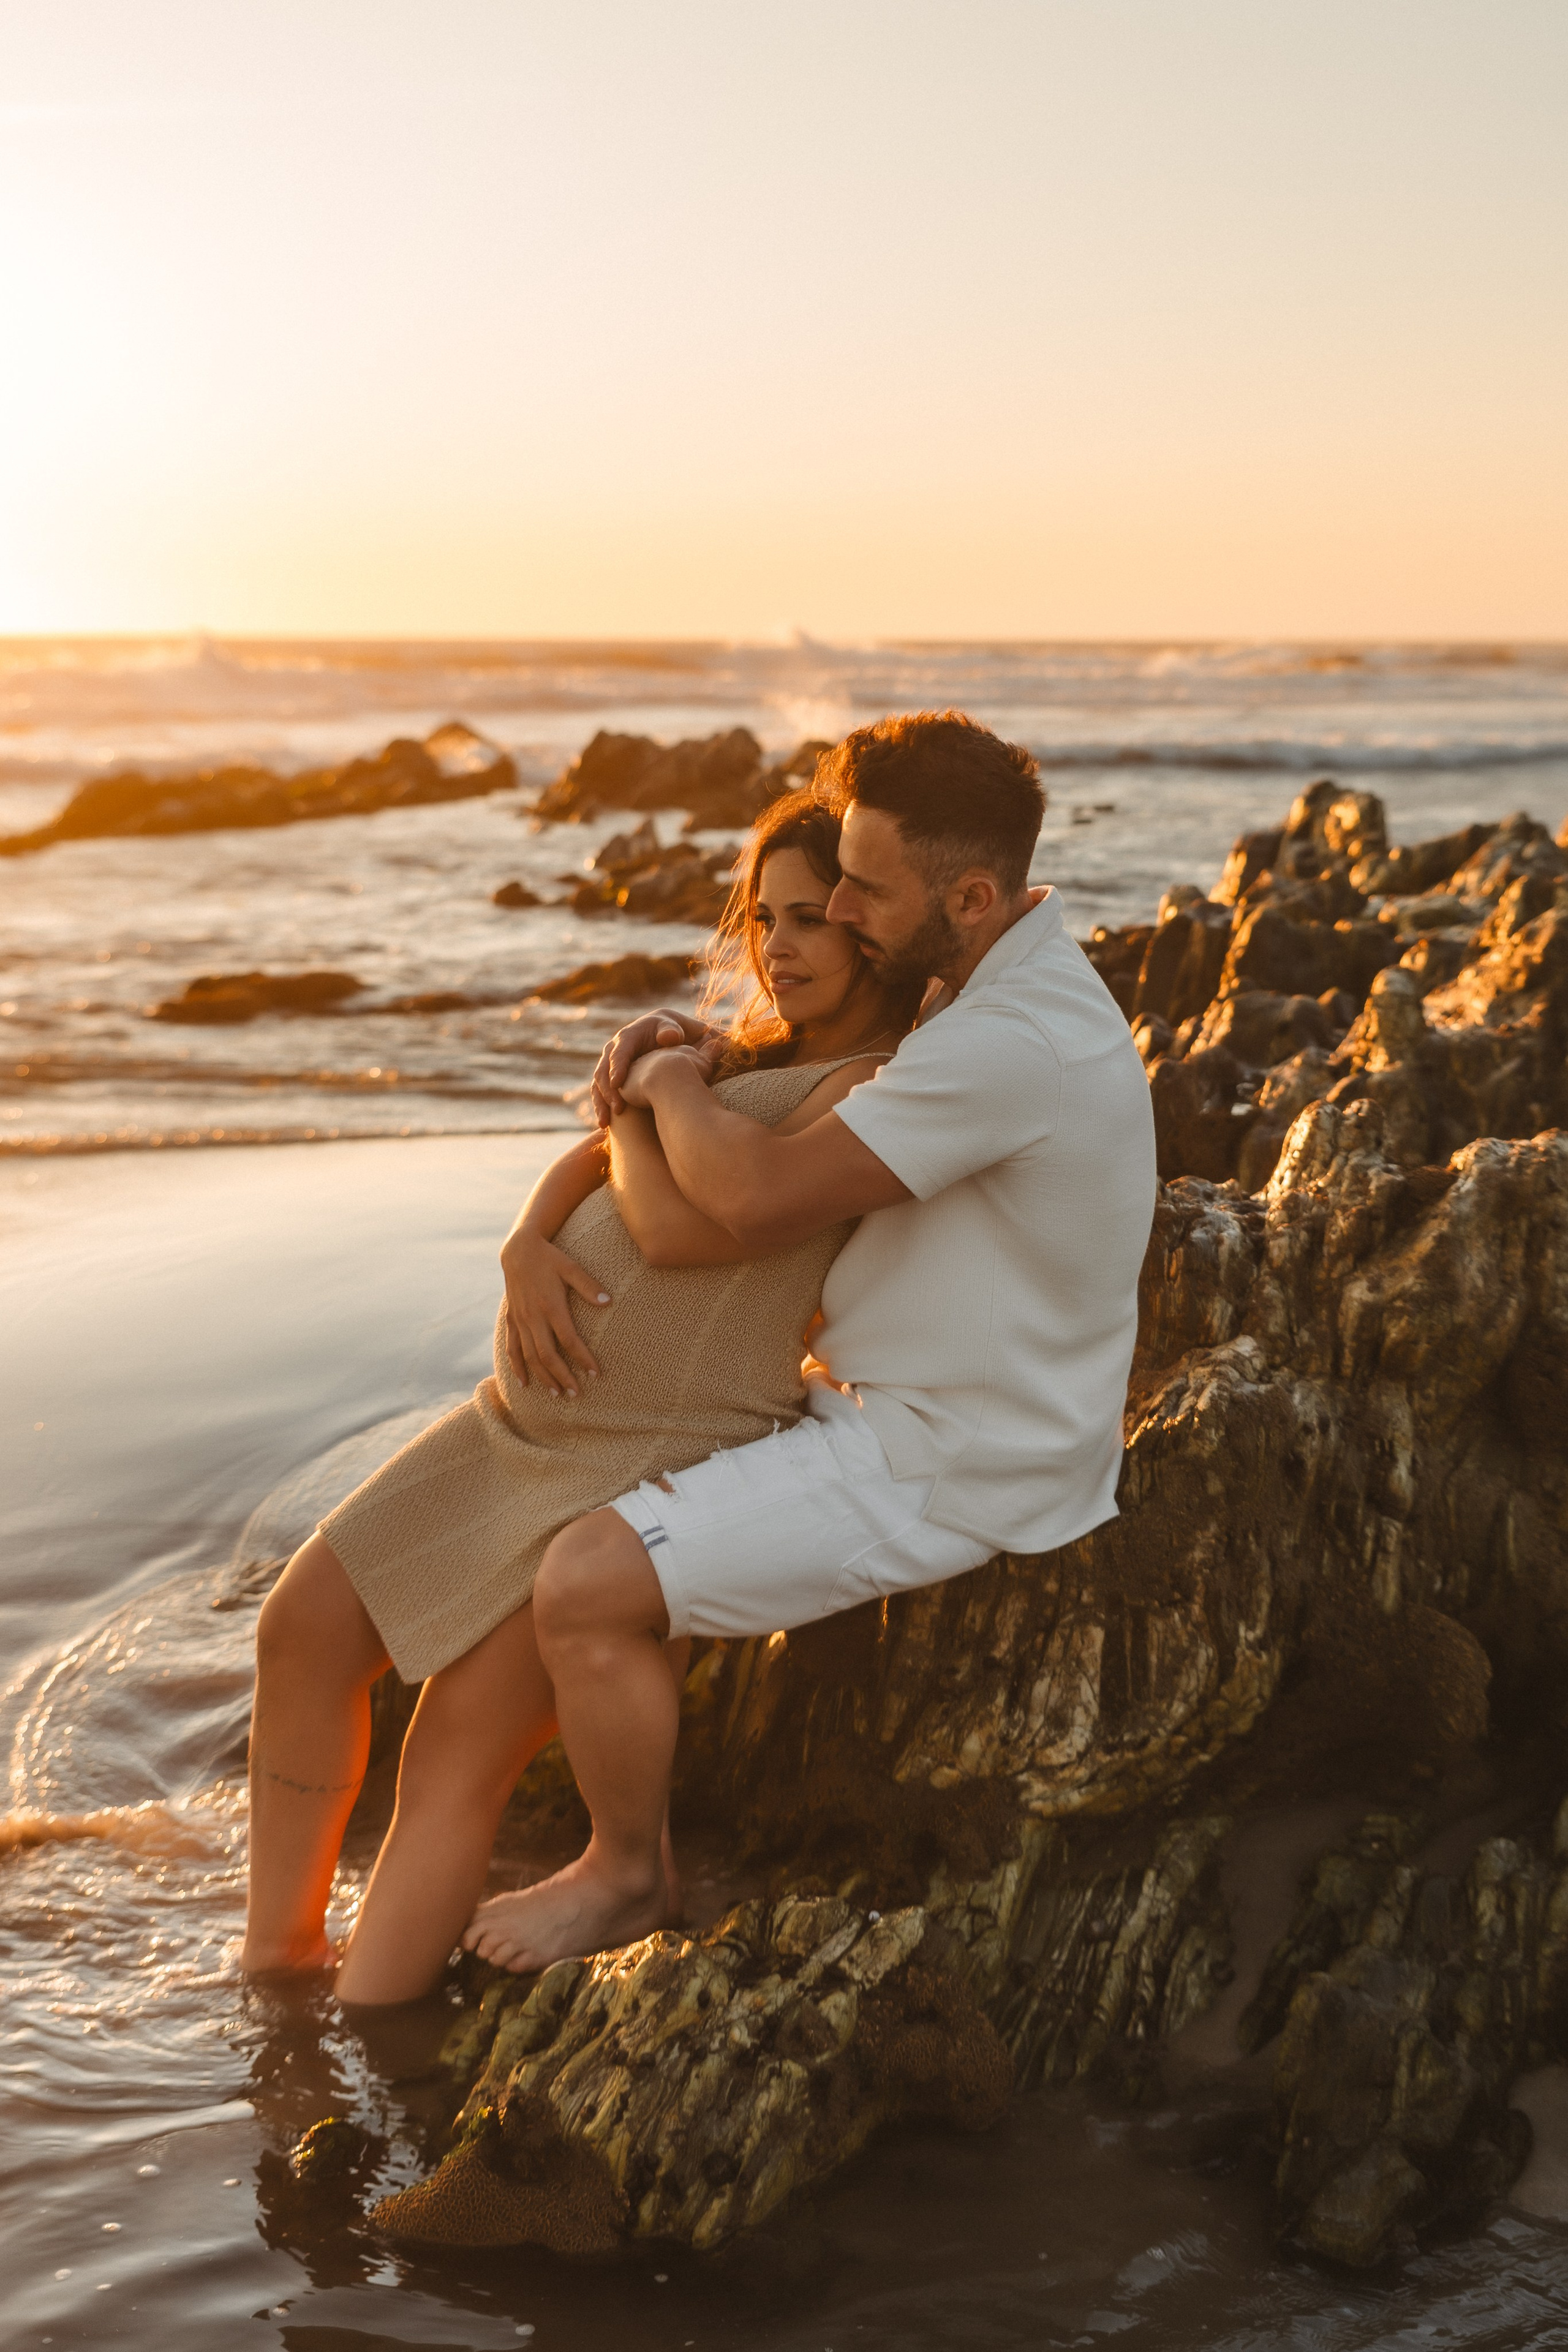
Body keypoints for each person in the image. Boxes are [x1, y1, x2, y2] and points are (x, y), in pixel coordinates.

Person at [462, 708, 1157, 1978]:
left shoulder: (1013, 1041)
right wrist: (713, 1055)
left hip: (944, 1454)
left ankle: (625, 1873)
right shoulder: (991, 972)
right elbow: (831, 1072)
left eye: (862, 886)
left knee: (581, 1583)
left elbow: (750, 1201)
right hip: (901, 1403)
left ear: (969, 893)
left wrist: (669, 1083)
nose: (834, 908)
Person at [240, 791, 923, 2000]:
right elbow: (599, 1148)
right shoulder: (739, 1057)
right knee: (300, 1629)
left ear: (874, 924)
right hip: (515, 1428)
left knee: (454, 1745)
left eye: (812, 917)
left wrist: (658, 1089)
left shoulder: (869, 1087)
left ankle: (351, 2033)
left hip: (644, 1452)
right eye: (763, 919)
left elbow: (683, 1230)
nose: (780, 946)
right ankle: (277, 1960)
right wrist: (525, 1234)